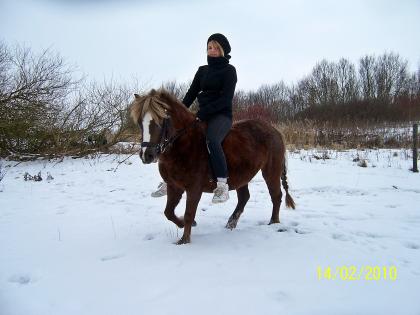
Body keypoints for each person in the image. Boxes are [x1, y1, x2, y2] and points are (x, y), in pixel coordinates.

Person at [152, 33, 237, 203]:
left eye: (215, 48)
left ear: (222, 50)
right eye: (209, 47)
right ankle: (169, 180)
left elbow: (225, 99)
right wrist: (177, 111)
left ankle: (222, 185)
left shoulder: (229, 71)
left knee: (212, 140)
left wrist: (203, 114)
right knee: (177, 137)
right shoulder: (202, 70)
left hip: (221, 115)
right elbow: (191, 93)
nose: (211, 50)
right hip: (202, 114)